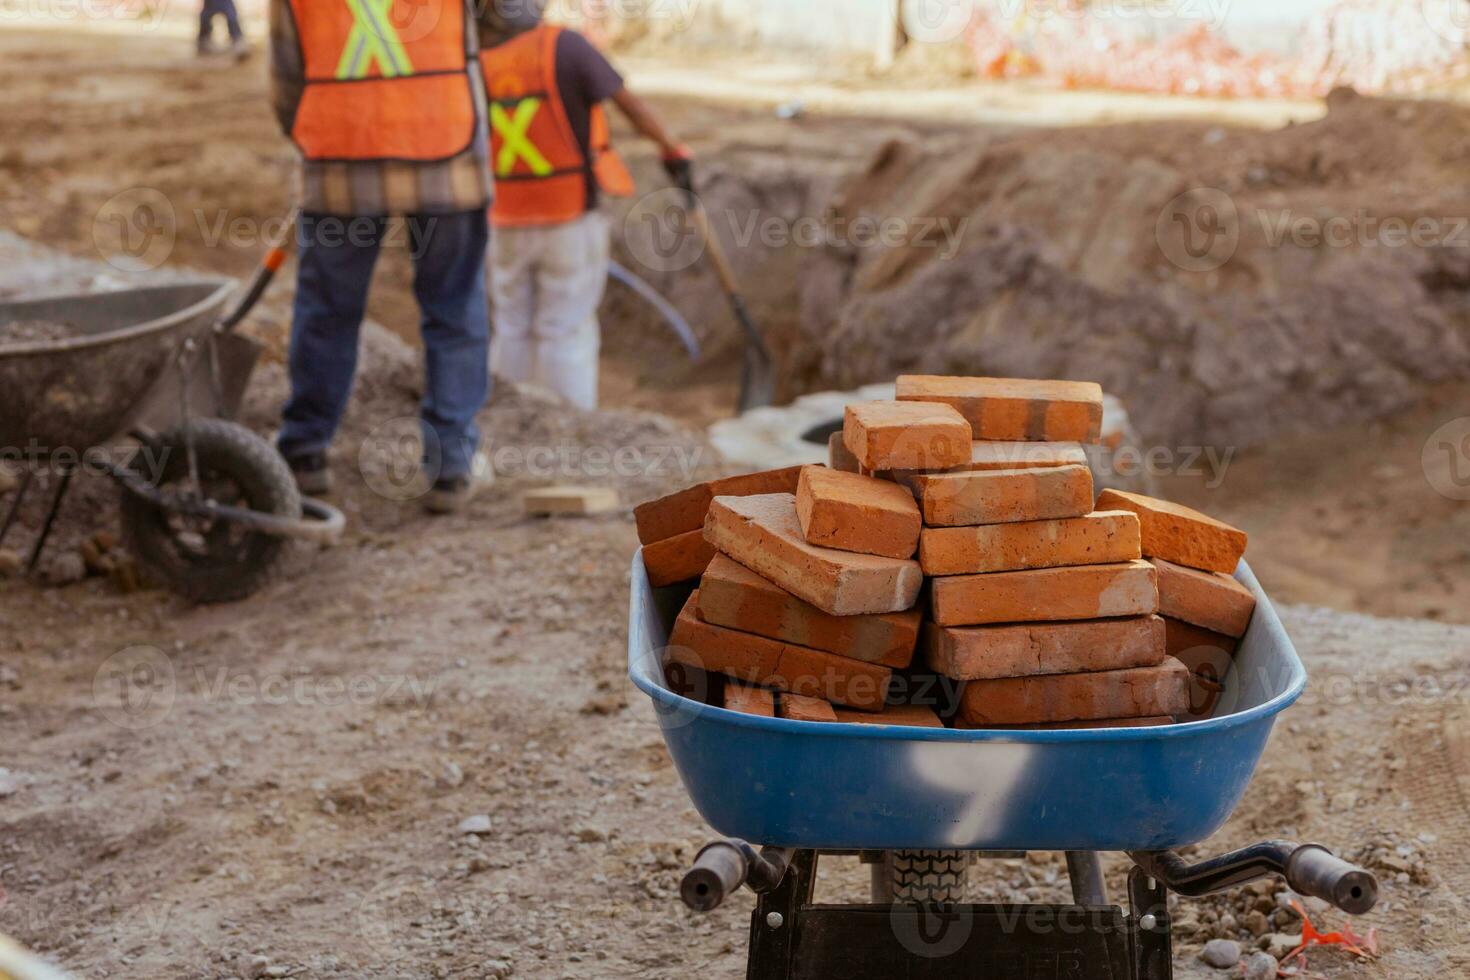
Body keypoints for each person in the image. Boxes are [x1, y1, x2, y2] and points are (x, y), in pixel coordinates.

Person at [268, 0, 495, 514]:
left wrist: (319, 135)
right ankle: (450, 468)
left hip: (339, 162)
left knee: (327, 311)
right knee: (454, 309)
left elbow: (285, 78)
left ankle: (304, 454)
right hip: (448, 160)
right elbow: (513, 17)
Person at [478, 6, 692, 410]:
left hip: (504, 217)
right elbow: (629, 104)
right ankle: (571, 427)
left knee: (511, 325)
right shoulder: (564, 46)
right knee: (564, 327)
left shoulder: (480, 61)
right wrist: (670, 146)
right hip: (566, 217)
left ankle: (508, 421)